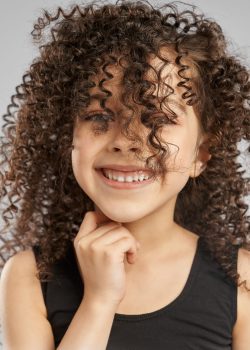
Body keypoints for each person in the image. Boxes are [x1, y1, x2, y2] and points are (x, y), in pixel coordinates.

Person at [0, 0, 249, 349]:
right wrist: (99, 302)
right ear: (68, 136)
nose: (126, 141)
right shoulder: (27, 276)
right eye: (100, 116)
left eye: (158, 119)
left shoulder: (242, 280)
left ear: (202, 155)